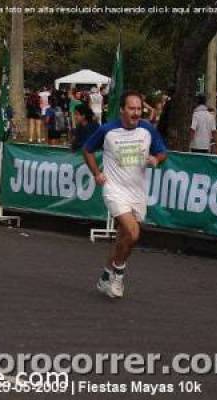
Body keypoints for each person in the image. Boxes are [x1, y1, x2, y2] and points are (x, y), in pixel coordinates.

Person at [83, 91, 167, 299]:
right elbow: (87, 149)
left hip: (137, 192)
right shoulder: (108, 130)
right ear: (122, 110)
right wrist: (97, 173)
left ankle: (106, 276)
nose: (136, 113)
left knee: (126, 239)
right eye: (132, 108)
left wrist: (156, 160)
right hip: (114, 190)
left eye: (139, 109)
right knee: (133, 232)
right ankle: (119, 276)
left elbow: (162, 152)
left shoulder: (147, 129)